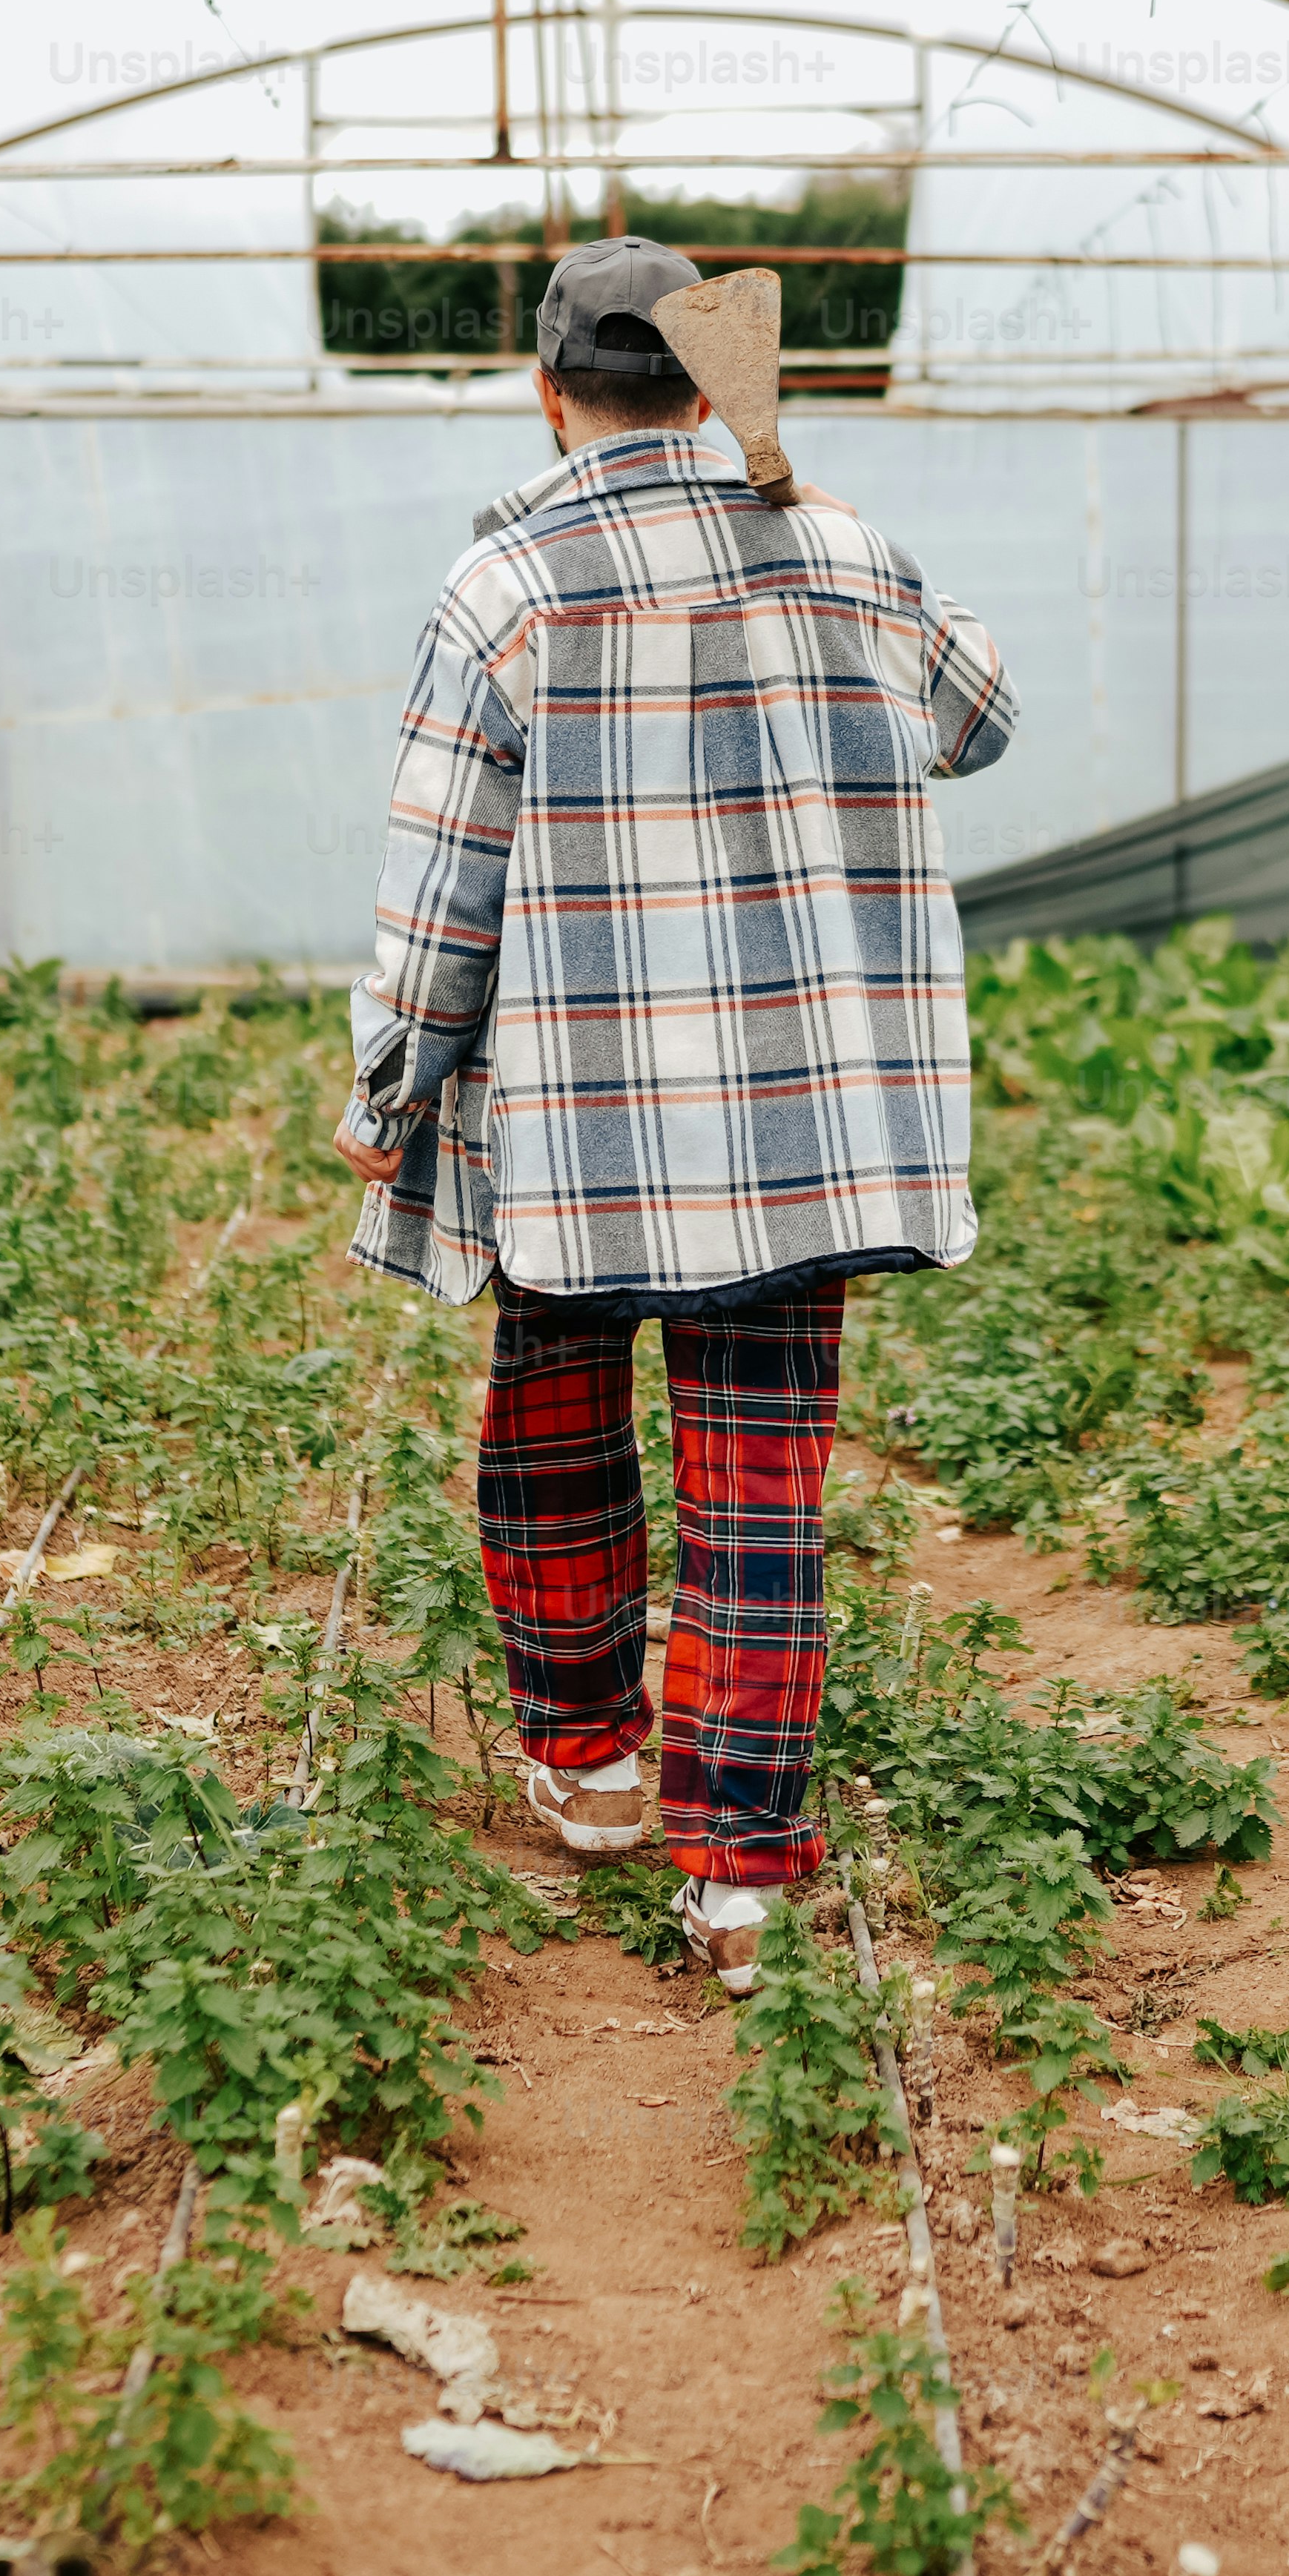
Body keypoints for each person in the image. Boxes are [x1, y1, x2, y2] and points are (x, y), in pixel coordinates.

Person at [332, 236, 1017, 1993]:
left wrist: (392, 1078)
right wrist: (804, 506)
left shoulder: (507, 586)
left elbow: (442, 878)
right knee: (761, 1483)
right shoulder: (848, 553)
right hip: (808, 1120)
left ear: (546, 393)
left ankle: (593, 1770)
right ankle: (743, 1880)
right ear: (715, 383)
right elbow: (980, 717)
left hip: (575, 1114)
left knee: (550, 1427)